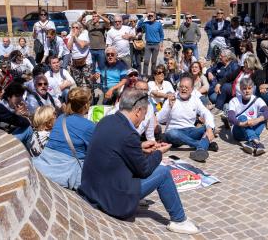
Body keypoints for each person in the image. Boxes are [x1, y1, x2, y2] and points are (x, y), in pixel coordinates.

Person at [78, 88, 199, 234]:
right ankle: (179, 220)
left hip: (91, 190)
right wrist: (159, 153)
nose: (143, 118)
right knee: (164, 173)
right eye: (144, 114)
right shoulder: (129, 134)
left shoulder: (106, 120)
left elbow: (115, 148)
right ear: (138, 111)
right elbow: (144, 170)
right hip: (112, 201)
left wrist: (140, 147)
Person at [33, 87, 95, 190]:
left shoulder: (61, 118)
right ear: (86, 105)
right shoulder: (89, 126)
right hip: (66, 170)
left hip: (46, 163)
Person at [158, 75, 218, 162]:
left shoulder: (195, 100)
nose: (183, 89)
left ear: (192, 89)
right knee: (172, 133)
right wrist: (169, 107)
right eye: (181, 87)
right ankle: (201, 145)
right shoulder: (171, 99)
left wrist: (209, 128)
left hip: (190, 131)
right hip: (174, 133)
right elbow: (160, 119)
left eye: (186, 87)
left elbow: (206, 113)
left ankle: (200, 151)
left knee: (210, 127)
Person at [228, 78, 268, 156]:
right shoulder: (234, 101)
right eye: (244, 89)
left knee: (263, 118)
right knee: (242, 117)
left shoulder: (257, 100)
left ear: (252, 89)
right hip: (238, 130)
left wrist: (257, 120)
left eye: (249, 88)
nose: (247, 91)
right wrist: (242, 124)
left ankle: (251, 143)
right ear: (240, 89)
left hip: (252, 127)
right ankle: (257, 142)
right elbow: (231, 117)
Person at [0, 81, 32, 147]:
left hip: (3, 133)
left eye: (21, 95)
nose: (20, 99)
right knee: (28, 129)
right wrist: (18, 116)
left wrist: (26, 114)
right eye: (17, 95)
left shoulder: (14, 106)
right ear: (9, 96)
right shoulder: (1, 106)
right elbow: (4, 125)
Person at [207, 49, 240, 113]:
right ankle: (224, 104)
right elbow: (210, 69)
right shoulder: (219, 64)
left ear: (227, 58)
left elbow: (234, 80)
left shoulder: (234, 66)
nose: (219, 57)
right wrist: (209, 72)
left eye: (221, 56)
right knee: (212, 97)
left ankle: (220, 106)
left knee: (214, 98)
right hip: (216, 88)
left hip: (227, 89)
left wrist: (220, 85)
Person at [67, 22, 94, 91]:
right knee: (78, 83)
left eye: (76, 28)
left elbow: (82, 45)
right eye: (73, 27)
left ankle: (91, 97)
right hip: (75, 63)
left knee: (89, 82)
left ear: (80, 29)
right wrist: (72, 37)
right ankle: (81, 98)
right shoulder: (70, 36)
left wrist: (75, 36)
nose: (74, 29)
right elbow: (69, 47)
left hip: (86, 63)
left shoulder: (84, 35)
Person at [138, 11, 164, 76]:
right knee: (146, 61)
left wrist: (161, 45)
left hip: (156, 45)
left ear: (155, 17)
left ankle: (153, 75)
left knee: (154, 62)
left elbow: (162, 35)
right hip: (148, 45)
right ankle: (145, 75)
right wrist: (145, 16)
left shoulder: (159, 24)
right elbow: (139, 25)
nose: (150, 17)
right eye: (149, 16)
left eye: (151, 16)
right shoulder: (146, 24)